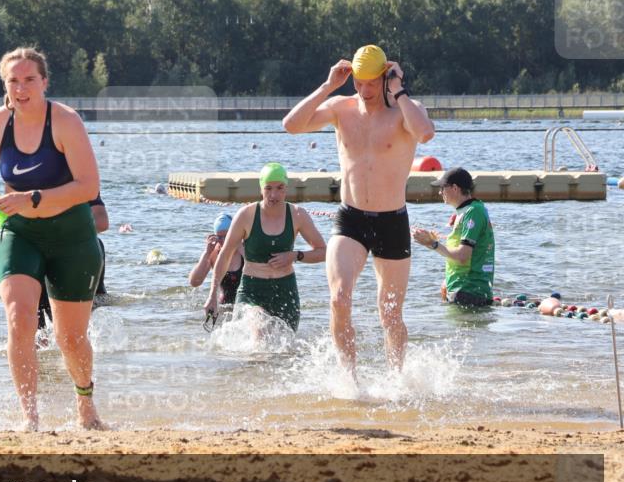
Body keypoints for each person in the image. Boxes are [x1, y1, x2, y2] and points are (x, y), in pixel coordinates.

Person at [0, 46, 105, 431]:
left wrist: (34, 197)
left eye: (30, 79)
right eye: (13, 80)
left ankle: (85, 405)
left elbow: (88, 186)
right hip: (18, 231)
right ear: (5, 85)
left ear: (44, 82)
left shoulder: (65, 121)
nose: (21, 88)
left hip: (71, 235)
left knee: (70, 338)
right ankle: (30, 418)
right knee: (19, 317)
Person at [283, 44, 435, 374]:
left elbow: (425, 133)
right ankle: (348, 381)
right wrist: (327, 86)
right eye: (359, 82)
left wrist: (400, 91)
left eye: (371, 83)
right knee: (339, 299)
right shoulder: (341, 108)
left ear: (386, 77)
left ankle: (397, 379)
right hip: (350, 218)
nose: (364, 91)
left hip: (392, 221)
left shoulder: (405, 112)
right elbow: (291, 125)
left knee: (390, 313)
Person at [204, 163, 326, 332]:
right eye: (268, 188)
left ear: (286, 188)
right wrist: (212, 296)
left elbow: (323, 252)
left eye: (279, 188)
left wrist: (295, 255)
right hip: (252, 291)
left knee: (284, 350)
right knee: (260, 326)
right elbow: (225, 255)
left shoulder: (298, 215)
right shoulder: (246, 215)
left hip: (285, 291)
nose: (274, 194)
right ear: (261, 188)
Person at [413, 167, 496, 307]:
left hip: (469, 292)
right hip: (462, 290)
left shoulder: (473, 212)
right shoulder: (466, 211)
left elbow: (463, 255)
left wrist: (433, 244)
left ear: (455, 188)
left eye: (442, 187)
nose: (440, 192)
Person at [37, 194, 109, 331]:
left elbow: (102, 221)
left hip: (77, 252)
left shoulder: (82, 181)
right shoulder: (28, 180)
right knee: (37, 326)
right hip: (36, 251)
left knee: (73, 328)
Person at [189, 213, 243, 306]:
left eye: (226, 237)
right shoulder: (213, 253)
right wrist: (206, 253)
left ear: (234, 234)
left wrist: (241, 249)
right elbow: (194, 282)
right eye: (219, 237)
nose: (222, 241)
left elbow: (261, 273)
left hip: (246, 304)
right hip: (225, 305)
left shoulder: (245, 249)